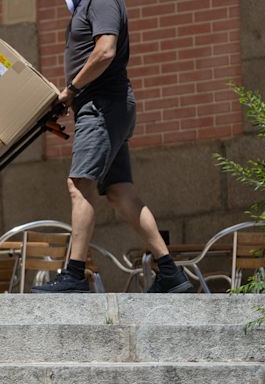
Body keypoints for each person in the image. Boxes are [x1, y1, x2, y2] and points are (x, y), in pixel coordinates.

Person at [31, 0, 192, 293]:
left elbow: (105, 50)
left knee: (79, 185)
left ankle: (75, 275)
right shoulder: (85, 6)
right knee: (120, 191)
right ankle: (170, 272)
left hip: (103, 107)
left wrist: (73, 90)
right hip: (103, 106)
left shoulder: (100, 1)